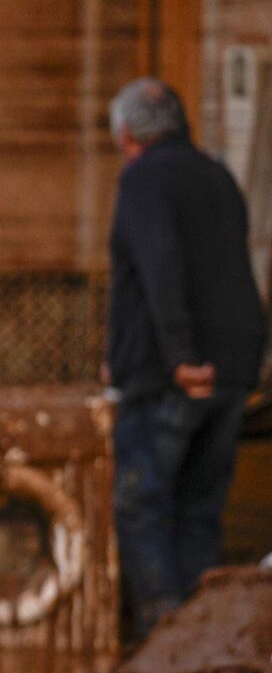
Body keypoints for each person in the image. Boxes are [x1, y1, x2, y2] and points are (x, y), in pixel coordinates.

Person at [104, 78, 266, 640]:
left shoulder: (143, 180)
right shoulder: (217, 176)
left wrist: (178, 357)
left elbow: (161, 268)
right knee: (200, 507)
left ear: (126, 136)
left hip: (177, 374)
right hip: (231, 369)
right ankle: (204, 636)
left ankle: (164, 636)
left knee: (143, 503)